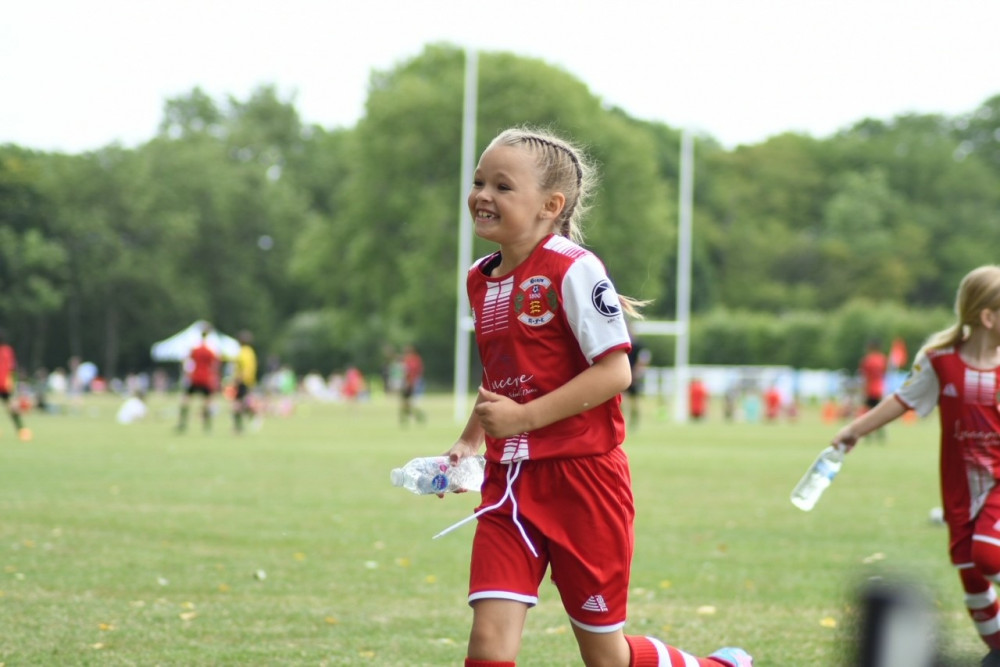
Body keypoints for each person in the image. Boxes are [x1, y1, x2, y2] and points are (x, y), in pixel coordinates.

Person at [441, 127, 752, 667]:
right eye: (478, 181)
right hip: (509, 487)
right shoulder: (478, 279)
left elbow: (615, 373)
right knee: (488, 645)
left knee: (606, 657)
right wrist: (470, 441)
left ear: (550, 205)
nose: (482, 195)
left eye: (502, 185)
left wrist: (525, 418)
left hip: (583, 484)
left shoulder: (573, 269)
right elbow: (502, 378)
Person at [830, 265, 1000, 667]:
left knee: (988, 556)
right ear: (988, 317)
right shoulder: (940, 362)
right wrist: (855, 429)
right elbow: (903, 399)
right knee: (972, 579)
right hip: (960, 488)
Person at [175, 327, 219, 433]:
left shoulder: (195, 349)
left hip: (195, 377)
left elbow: (186, 359)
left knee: (185, 400)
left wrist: (187, 372)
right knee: (207, 402)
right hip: (206, 379)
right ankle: (207, 426)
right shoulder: (210, 351)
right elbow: (215, 365)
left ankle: (182, 424)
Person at [0, 328, 31, 441]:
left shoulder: (6, 351)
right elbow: (12, 368)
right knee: (12, 408)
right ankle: (21, 430)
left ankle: (21, 430)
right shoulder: (7, 350)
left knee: (12, 407)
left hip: (4, 383)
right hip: (5, 384)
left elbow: (11, 368)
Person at [858, 338, 888, 441]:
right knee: (879, 413)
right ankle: (881, 434)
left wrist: (863, 391)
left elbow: (865, 377)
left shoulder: (867, 360)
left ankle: (868, 435)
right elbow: (884, 375)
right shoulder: (882, 359)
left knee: (867, 413)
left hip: (870, 390)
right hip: (880, 389)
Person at [624, 326, 652, 427]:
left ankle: (634, 420)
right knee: (623, 400)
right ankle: (625, 420)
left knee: (635, 401)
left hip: (633, 376)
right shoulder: (622, 344)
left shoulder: (638, 346)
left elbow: (643, 359)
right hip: (623, 376)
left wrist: (636, 373)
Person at [232, 330, 259, 434]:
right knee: (243, 403)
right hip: (249, 381)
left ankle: (239, 426)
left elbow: (244, 369)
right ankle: (240, 425)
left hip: (243, 381)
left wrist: (238, 379)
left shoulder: (243, 352)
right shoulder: (251, 352)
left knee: (238, 404)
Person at [399, 344, 426, 425]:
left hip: (414, 382)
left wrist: (412, 383)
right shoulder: (405, 360)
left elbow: (413, 372)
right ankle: (410, 417)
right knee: (405, 403)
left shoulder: (414, 360)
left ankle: (415, 416)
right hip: (408, 382)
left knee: (412, 402)